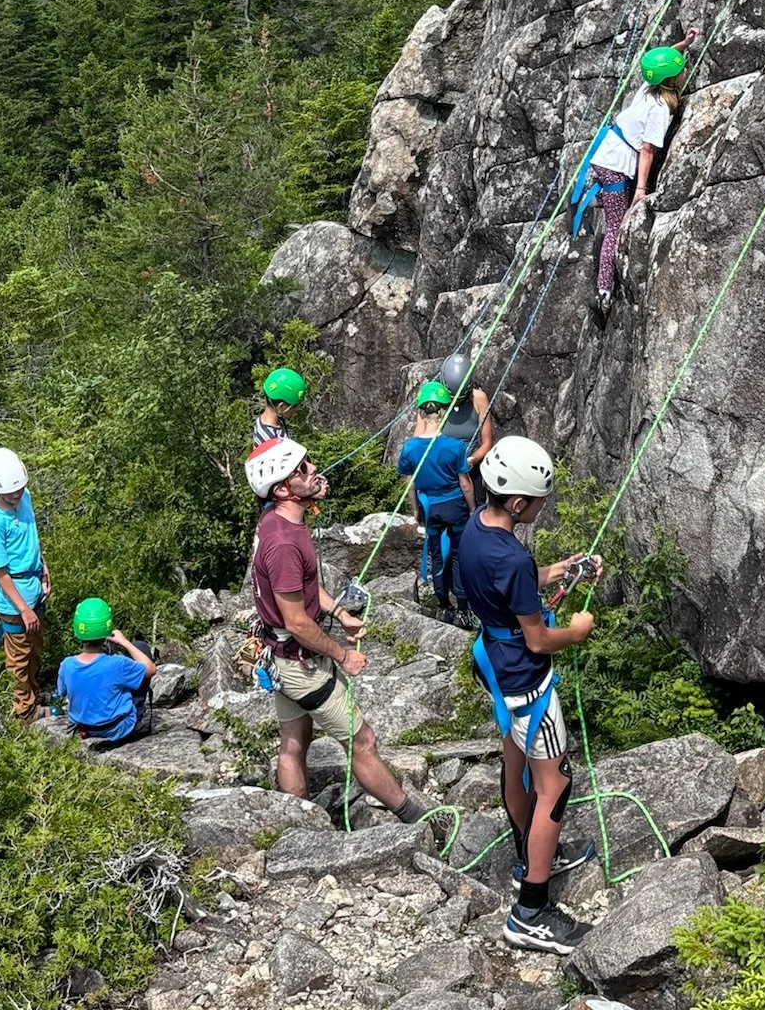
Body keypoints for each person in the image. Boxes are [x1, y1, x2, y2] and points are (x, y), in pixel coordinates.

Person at [459, 434, 602, 955]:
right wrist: (579, 631)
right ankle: (531, 910)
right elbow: (539, 637)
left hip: (495, 665)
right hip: (525, 678)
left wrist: (558, 571)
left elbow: (512, 584)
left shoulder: (477, 528)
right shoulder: (512, 556)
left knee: (515, 760)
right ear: (518, 502)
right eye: (539, 501)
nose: (542, 507)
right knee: (555, 786)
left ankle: (526, 855)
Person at [246, 436, 426, 824]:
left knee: (295, 741)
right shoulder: (282, 543)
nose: (313, 470)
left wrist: (340, 612)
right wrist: (343, 655)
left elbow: (305, 588)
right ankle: (415, 818)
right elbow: (295, 620)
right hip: (300, 665)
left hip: (280, 658)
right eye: (302, 469)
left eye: (307, 462)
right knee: (363, 742)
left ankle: (299, 824)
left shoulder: (280, 523)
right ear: (281, 489)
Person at [578, 38, 694, 306]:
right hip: (617, 164)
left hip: (605, 151)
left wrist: (684, 44)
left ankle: (590, 198)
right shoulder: (660, 109)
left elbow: (658, 61)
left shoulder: (648, 88)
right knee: (615, 228)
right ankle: (603, 292)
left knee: (614, 197)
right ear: (673, 79)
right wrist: (641, 189)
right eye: (682, 68)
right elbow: (647, 150)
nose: (685, 70)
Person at [398, 379, 478, 626]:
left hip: (428, 507)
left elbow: (410, 483)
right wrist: (473, 508)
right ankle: (463, 608)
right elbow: (465, 482)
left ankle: (443, 605)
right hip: (455, 507)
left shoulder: (409, 448)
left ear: (421, 412)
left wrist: (415, 510)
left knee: (436, 555)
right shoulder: (455, 447)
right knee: (458, 554)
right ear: (443, 412)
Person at [0, 446, 51, 721]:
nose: (16, 496)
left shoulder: (25, 497)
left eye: (19, 489)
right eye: (11, 492)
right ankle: (25, 710)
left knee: (35, 645)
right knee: (19, 654)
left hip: (33, 587)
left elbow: (31, 537)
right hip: (14, 600)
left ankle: (33, 691)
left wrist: (43, 567)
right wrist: (24, 609)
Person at [58, 598, 157, 745]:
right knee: (140, 647)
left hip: (85, 728)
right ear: (108, 628)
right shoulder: (117, 663)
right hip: (119, 728)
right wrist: (124, 642)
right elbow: (151, 669)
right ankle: (137, 716)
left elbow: (62, 692)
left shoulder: (67, 664)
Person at [439, 350, 494, 472]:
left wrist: (469, 461)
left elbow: (487, 443)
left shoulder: (479, 399)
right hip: (442, 467)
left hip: (469, 466)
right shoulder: (437, 401)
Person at [253, 365, 308, 447]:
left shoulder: (262, 421)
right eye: (293, 407)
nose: (295, 410)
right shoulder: (271, 439)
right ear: (281, 407)